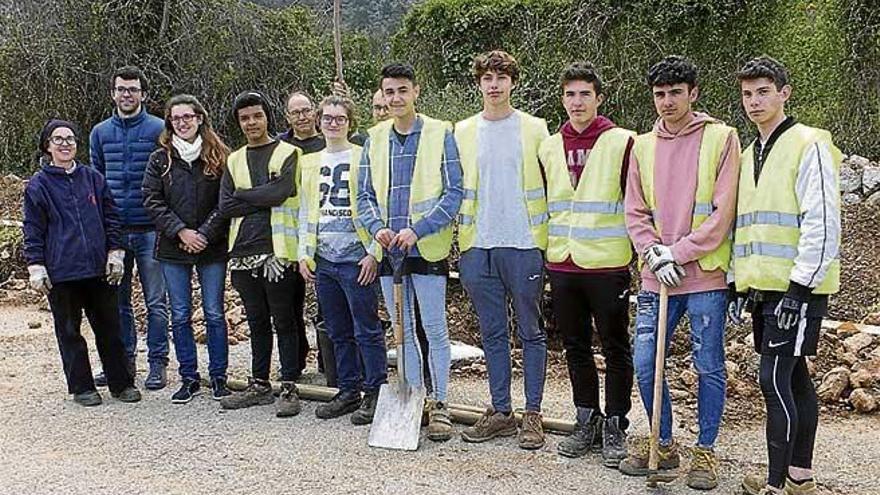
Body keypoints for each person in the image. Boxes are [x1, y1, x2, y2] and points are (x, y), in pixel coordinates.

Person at [622, 55, 741, 490]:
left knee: (708, 362)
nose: (667, 101)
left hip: (704, 276)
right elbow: (634, 210)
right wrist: (653, 253)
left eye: (675, 92)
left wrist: (678, 251)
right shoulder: (642, 145)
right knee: (645, 363)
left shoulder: (722, 139)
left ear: (693, 93)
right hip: (657, 276)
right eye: (659, 94)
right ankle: (664, 441)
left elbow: (721, 214)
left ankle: (705, 450)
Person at [733, 57, 841, 495]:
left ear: (784, 92)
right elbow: (750, 225)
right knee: (795, 379)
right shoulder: (747, 154)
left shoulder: (809, 144)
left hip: (796, 290)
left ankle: (775, 485)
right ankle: (799, 477)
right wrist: (740, 283)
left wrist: (799, 289)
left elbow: (822, 222)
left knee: (772, 379)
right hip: (763, 289)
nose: (755, 101)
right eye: (747, 94)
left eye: (763, 91)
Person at [356, 62, 463, 441]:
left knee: (434, 328)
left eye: (403, 90)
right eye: (389, 92)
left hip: (425, 248)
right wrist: (378, 229)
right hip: (389, 253)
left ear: (416, 91)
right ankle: (414, 398)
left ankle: (442, 404)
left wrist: (417, 230)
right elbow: (364, 196)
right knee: (402, 333)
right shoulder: (375, 138)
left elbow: (454, 194)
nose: (396, 98)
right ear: (382, 96)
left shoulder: (440, 133)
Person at [539, 62, 635, 465]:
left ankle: (615, 423)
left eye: (584, 94)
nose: (576, 102)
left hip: (608, 264)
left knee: (615, 346)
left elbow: (636, 203)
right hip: (563, 263)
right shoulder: (547, 146)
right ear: (561, 99)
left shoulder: (624, 142)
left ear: (598, 98)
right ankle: (586, 418)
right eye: (569, 94)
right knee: (574, 346)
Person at [455, 50, 550, 450]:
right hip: (478, 244)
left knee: (530, 329)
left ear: (513, 81)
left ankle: (533, 413)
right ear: (478, 83)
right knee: (492, 332)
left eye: (501, 77)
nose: (494, 84)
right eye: (487, 78)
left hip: (525, 242)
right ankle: (500, 411)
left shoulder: (535, 128)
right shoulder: (462, 130)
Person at [23, 119, 141, 406]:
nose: (65, 143)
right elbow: (33, 229)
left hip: (98, 269)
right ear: (47, 146)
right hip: (62, 273)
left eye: (70, 138)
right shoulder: (38, 185)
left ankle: (121, 383)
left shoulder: (93, 178)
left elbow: (112, 217)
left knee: (110, 330)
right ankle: (82, 387)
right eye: (58, 139)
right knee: (69, 332)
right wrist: (36, 265)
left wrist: (116, 251)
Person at [298, 95, 387, 424]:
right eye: (327, 117)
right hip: (325, 260)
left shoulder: (364, 157)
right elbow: (307, 211)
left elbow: (379, 206)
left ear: (350, 123)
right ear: (319, 120)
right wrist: (305, 254)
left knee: (367, 328)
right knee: (337, 330)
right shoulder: (311, 162)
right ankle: (348, 389)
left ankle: (375, 389)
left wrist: (374, 253)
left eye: (340, 118)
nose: (333, 123)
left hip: (356, 258)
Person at [218, 91, 304, 417]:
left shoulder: (287, 152)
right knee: (256, 322)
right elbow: (226, 205)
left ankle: (289, 387)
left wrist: (245, 195)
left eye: (257, 116)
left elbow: (282, 192)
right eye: (245, 118)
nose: (251, 123)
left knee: (285, 320)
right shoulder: (234, 159)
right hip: (242, 252)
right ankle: (259, 384)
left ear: (268, 117)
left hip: (278, 251)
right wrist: (262, 195)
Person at [142, 94, 232, 403]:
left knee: (214, 313)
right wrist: (181, 231)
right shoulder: (160, 159)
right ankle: (189, 378)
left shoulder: (219, 155)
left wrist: (204, 233)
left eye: (187, 117)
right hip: (172, 246)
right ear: (169, 122)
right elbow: (152, 201)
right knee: (179, 314)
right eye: (176, 118)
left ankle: (219, 377)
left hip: (212, 245)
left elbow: (226, 202)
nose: (182, 123)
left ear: (200, 118)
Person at [89, 65, 169, 390]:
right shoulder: (99, 133)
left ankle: (158, 364)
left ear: (143, 94)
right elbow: (95, 182)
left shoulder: (159, 129)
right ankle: (122, 365)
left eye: (133, 89)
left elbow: (168, 178)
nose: (127, 94)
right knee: (117, 303)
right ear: (113, 93)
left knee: (155, 301)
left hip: (151, 230)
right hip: (116, 234)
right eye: (122, 89)